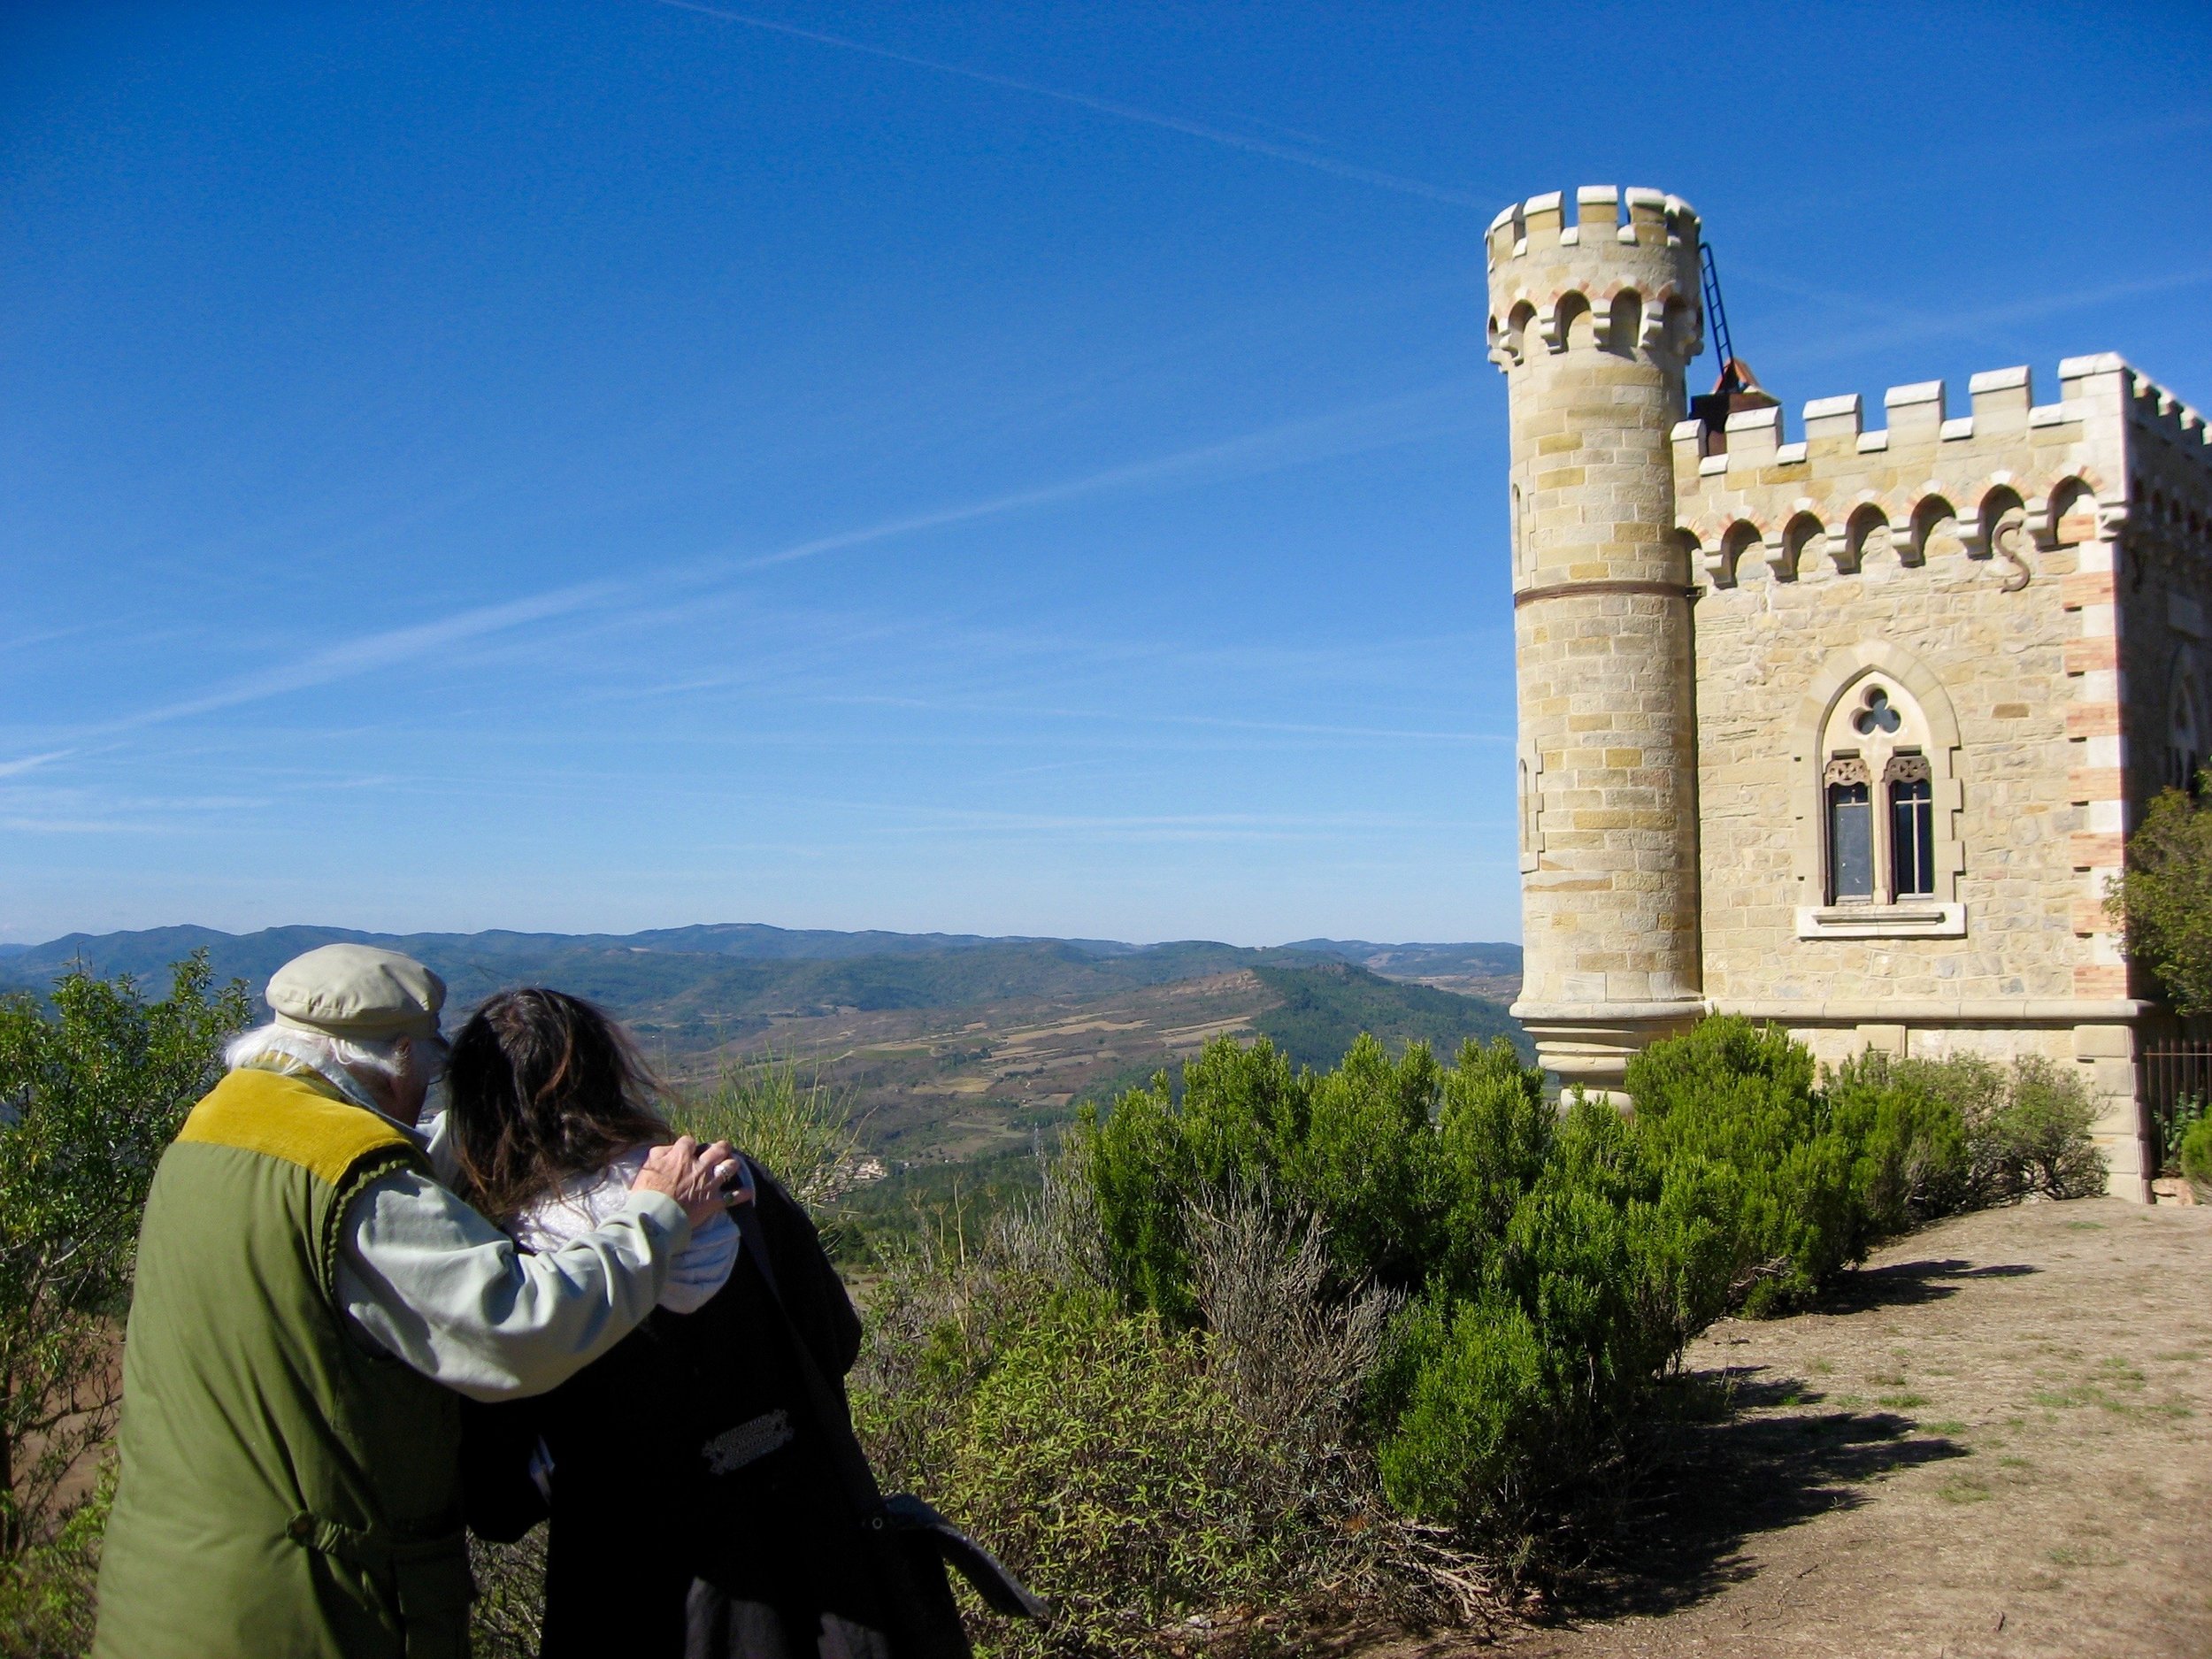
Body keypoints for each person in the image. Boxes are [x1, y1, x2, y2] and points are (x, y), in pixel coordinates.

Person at [92, 944, 741, 1659]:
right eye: (429, 1069)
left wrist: (502, 1127)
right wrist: (653, 1213)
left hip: (167, 1595)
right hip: (302, 1613)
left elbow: (405, 1156)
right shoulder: (354, 1179)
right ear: (399, 1054)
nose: (430, 1090)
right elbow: (519, 1328)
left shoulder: (216, 1129)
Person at [445, 989, 1041, 1659]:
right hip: (823, 1573)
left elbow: (497, 1503)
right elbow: (834, 1340)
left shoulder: (518, 1271)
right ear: (609, 1076)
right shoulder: (732, 1186)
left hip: (634, 1604)